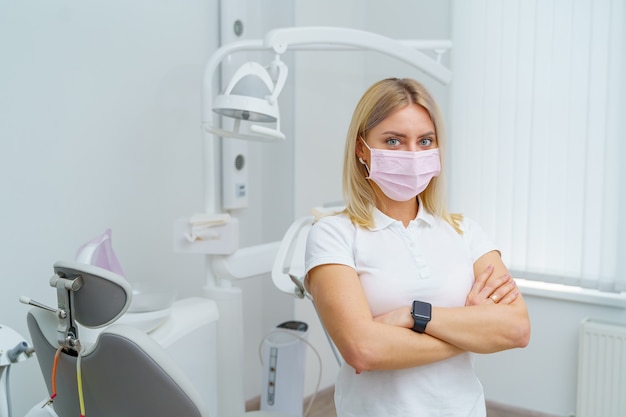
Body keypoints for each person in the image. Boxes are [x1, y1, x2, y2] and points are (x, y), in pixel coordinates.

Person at [304, 78, 530, 417]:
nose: (412, 155)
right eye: (393, 141)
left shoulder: (465, 232)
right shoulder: (333, 234)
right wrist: (471, 328)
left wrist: (413, 315)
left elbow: (516, 329)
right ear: (361, 148)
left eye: (425, 141)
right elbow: (362, 349)